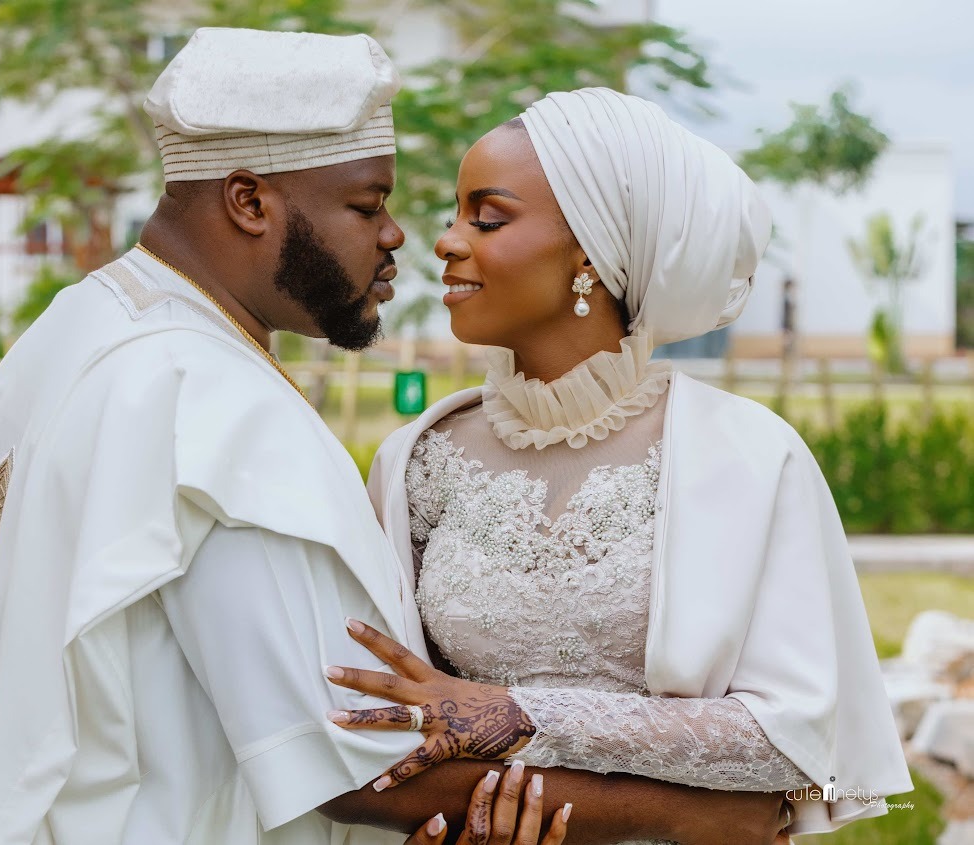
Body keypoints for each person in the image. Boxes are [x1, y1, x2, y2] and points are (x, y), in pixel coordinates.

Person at [0, 32, 788, 845]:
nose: (404, 238)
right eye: (366, 204)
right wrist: (698, 816)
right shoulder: (212, 400)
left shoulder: (76, 327)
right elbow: (359, 762)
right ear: (248, 201)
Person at [327, 88, 913, 840]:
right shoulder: (417, 458)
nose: (444, 241)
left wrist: (522, 716)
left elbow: (795, 743)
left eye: (488, 216)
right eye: (454, 214)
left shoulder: (748, 455)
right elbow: (386, 722)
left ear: (589, 254)